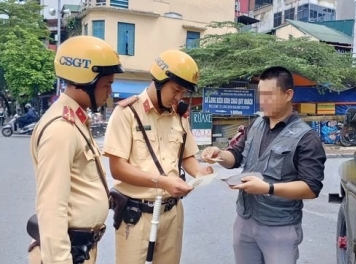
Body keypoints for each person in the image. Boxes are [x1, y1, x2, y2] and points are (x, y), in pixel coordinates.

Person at [201, 66, 326, 264]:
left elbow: (311, 188)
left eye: (269, 94)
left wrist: (268, 188)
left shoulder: (306, 138)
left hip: (280, 227)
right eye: (261, 94)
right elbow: (235, 155)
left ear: (288, 94)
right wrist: (219, 155)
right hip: (245, 220)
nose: (263, 100)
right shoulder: (256, 125)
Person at [102, 49, 213, 264]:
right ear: (160, 81)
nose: (179, 97)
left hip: (172, 212)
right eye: (176, 90)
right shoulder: (127, 113)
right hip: (135, 213)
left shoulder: (180, 117)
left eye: (184, 93)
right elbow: (117, 168)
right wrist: (162, 181)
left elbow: (186, 156)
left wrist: (200, 172)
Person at [28, 35, 125, 264]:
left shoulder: (76, 120)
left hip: (81, 248)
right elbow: (51, 207)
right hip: (66, 253)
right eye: (107, 83)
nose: (110, 91)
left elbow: (78, 182)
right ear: (86, 81)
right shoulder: (61, 129)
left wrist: (106, 198)